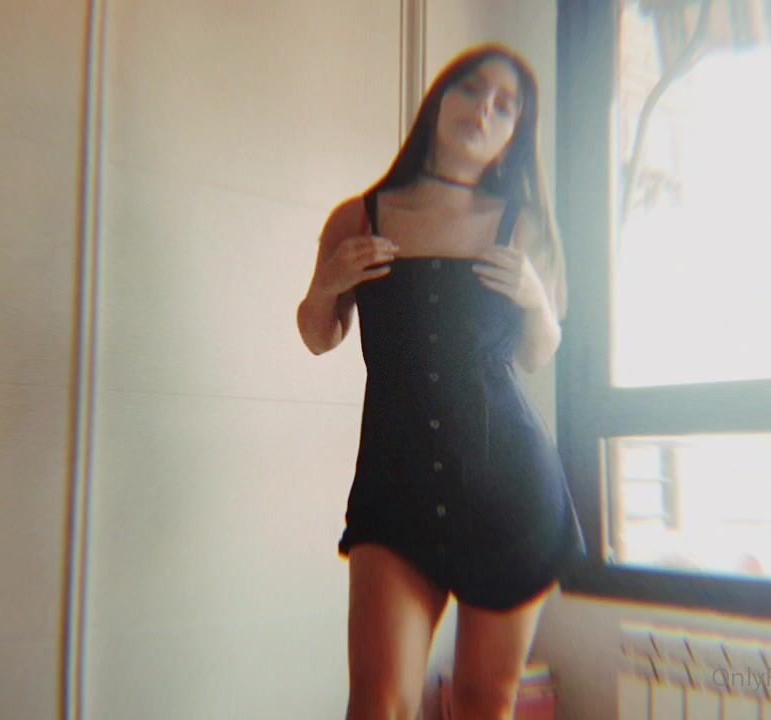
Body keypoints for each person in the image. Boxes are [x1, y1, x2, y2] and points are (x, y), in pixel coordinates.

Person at [296, 42, 587, 720]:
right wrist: (330, 283)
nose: (484, 108)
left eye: (506, 105)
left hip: (507, 488)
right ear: (440, 99)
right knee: (378, 704)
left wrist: (537, 302)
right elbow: (318, 334)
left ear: (515, 133)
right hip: (394, 487)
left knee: (486, 701)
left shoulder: (526, 227)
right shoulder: (357, 216)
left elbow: (536, 354)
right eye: (472, 88)